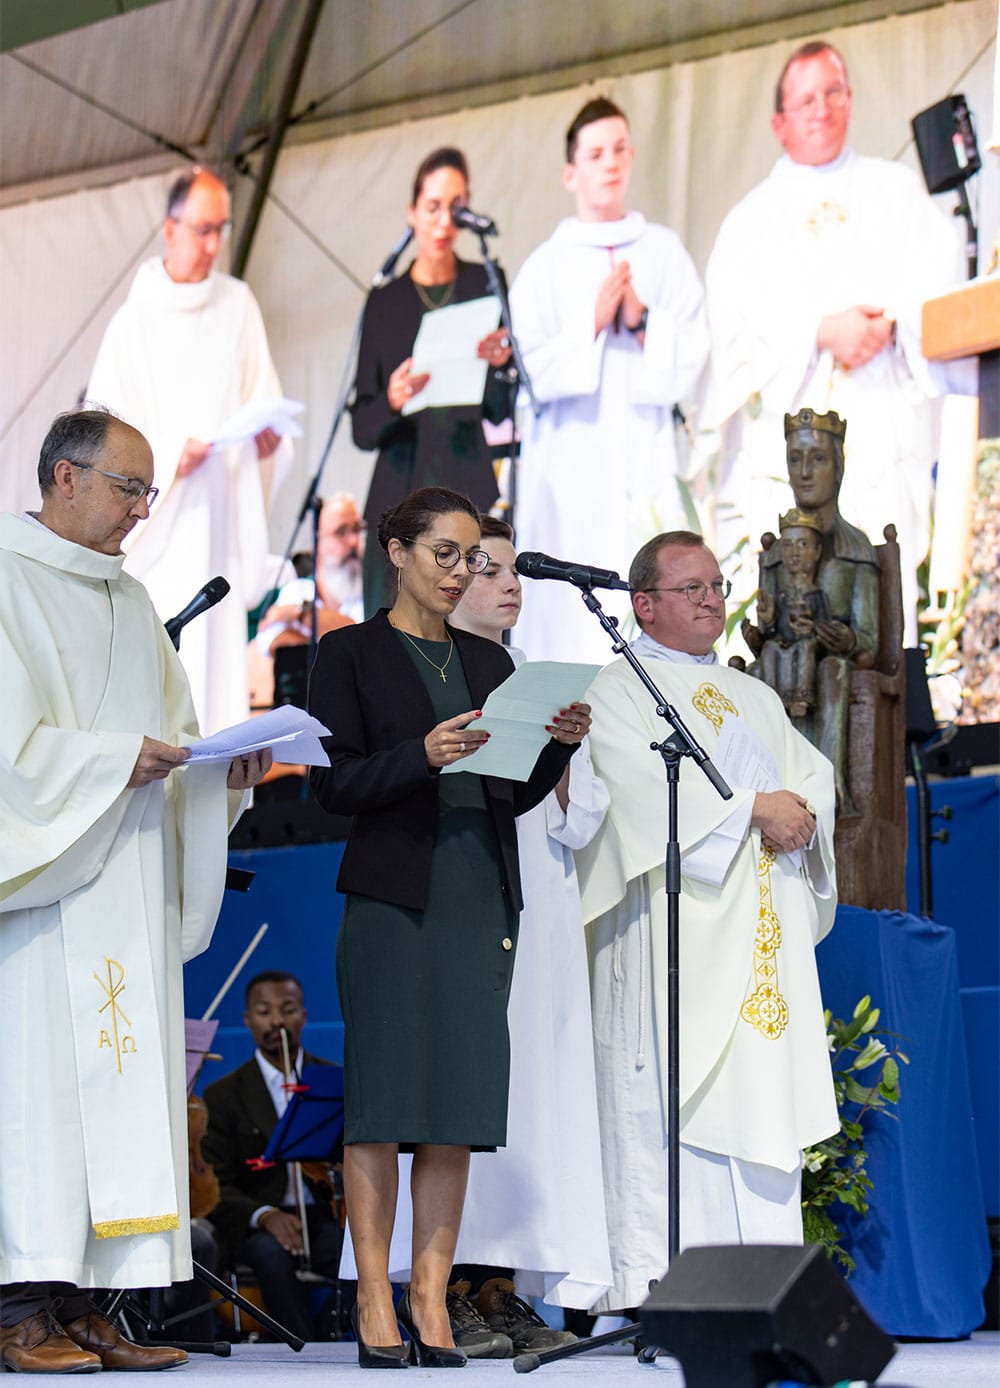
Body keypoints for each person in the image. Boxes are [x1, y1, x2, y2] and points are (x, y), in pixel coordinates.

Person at [0, 408, 271, 1373]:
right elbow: (8, 758)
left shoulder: (130, 601)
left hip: (124, 885)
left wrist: (218, 779)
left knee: (116, 1103)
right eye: (129, 489)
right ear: (63, 478)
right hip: (45, 896)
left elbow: (177, 740)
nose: (142, 513)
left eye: (150, 493)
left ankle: (86, 1301)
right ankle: (15, 1306)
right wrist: (117, 761)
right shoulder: (6, 581)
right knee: (43, 1103)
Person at [306, 486, 590, 1368]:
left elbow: (508, 792)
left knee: (454, 1109)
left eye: (472, 556)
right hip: (394, 900)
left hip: (479, 896)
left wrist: (560, 747)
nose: (462, 570)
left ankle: (432, 1299)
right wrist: (419, 756)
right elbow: (333, 786)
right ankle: (375, 1301)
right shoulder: (347, 653)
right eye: (447, 553)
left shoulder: (489, 663)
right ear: (396, 551)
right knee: (384, 1106)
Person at [574, 530, 839, 1313]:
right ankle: (671, 1291)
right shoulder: (616, 689)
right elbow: (627, 797)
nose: (713, 599)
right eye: (692, 588)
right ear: (643, 604)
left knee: (762, 1105)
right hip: (676, 934)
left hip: (763, 930)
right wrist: (750, 809)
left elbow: (810, 778)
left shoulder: (753, 693)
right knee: (679, 1102)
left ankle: (769, 1295)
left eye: (718, 585)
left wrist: (800, 810)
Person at [702, 39, 969, 643]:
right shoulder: (751, 222)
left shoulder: (898, 193)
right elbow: (731, 334)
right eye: (805, 98)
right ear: (779, 122)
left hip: (880, 424)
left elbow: (941, 288)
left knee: (883, 603)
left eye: (833, 91)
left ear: (850, 100)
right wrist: (821, 332)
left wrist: (894, 326)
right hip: (794, 448)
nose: (821, 107)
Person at [87, 167, 293, 732]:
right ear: (170, 229)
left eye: (220, 229)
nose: (212, 244)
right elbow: (102, 428)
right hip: (157, 523)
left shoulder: (238, 305)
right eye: (202, 229)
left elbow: (263, 397)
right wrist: (171, 454)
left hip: (222, 518)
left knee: (215, 672)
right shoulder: (133, 322)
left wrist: (265, 444)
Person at [509, 96, 710, 664]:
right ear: (571, 171)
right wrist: (592, 323)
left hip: (644, 453)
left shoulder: (664, 252)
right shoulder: (544, 266)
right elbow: (528, 371)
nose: (611, 162)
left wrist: (643, 322)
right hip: (571, 469)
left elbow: (695, 353)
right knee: (572, 619)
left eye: (620, 149)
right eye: (595, 153)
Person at [351, 148, 514, 616]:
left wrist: (499, 364)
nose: (445, 221)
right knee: (394, 636)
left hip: (468, 484)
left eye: (457, 207)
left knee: (474, 631)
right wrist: (395, 399)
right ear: (413, 212)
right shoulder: (386, 301)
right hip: (401, 493)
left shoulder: (485, 281)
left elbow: (502, 408)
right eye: (434, 207)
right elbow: (363, 427)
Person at [201, 972, 346, 1342]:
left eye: (288, 1010)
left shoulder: (332, 1080)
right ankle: (305, 1349)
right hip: (257, 1222)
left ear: (304, 1016)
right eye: (264, 1012)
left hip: (321, 1216)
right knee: (270, 1255)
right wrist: (265, 1216)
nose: (277, 1022)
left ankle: (348, 1331)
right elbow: (216, 1185)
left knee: (355, 1253)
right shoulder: (224, 1095)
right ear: (248, 1020)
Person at [248, 492, 364, 708]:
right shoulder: (298, 589)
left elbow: (361, 634)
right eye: (341, 532)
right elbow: (272, 641)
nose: (354, 541)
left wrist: (298, 614)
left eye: (358, 529)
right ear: (316, 544)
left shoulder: (375, 590)